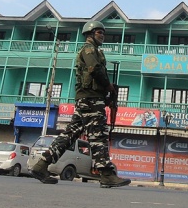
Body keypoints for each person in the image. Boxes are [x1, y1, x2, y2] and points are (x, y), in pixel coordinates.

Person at [30, 21, 131, 188]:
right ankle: (106, 174)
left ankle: (41, 166)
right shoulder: (89, 50)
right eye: (99, 32)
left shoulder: (96, 51)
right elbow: (94, 69)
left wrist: (106, 94)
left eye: (103, 33)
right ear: (90, 34)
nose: (102, 35)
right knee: (98, 135)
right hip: (90, 99)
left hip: (88, 98)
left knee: (69, 135)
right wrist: (108, 86)